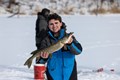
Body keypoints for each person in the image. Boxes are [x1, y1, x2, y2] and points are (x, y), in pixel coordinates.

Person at [38, 13, 83, 80]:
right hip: (53, 75)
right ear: (48, 25)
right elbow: (40, 62)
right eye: (51, 24)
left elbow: (79, 51)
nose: (54, 26)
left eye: (56, 23)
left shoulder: (69, 37)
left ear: (61, 23)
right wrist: (44, 58)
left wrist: (70, 44)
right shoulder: (46, 40)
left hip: (70, 74)